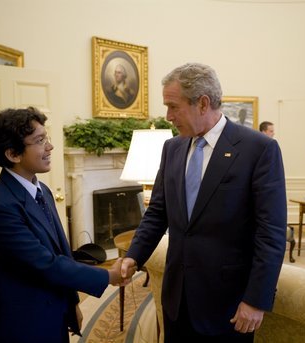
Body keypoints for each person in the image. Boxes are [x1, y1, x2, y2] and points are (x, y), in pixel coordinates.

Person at [121, 63, 287, 342]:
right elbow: (158, 212)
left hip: (228, 305)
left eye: (173, 107)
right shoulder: (172, 148)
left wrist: (256, 300)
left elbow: (270, 233)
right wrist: (133, 256)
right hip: (176, 299)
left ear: (203, 103)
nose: (168, 117)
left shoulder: (259, 149)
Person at [0, 107, 123, 342]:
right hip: (19, 320)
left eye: (47, 138)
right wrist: (107, 276)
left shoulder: (42, 190)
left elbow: (60, 250)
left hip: (51, 309)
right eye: (40, 140)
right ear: (13, 154)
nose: (50, 147)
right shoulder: (0, 207)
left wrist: (72, 302)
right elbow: (44, 264)